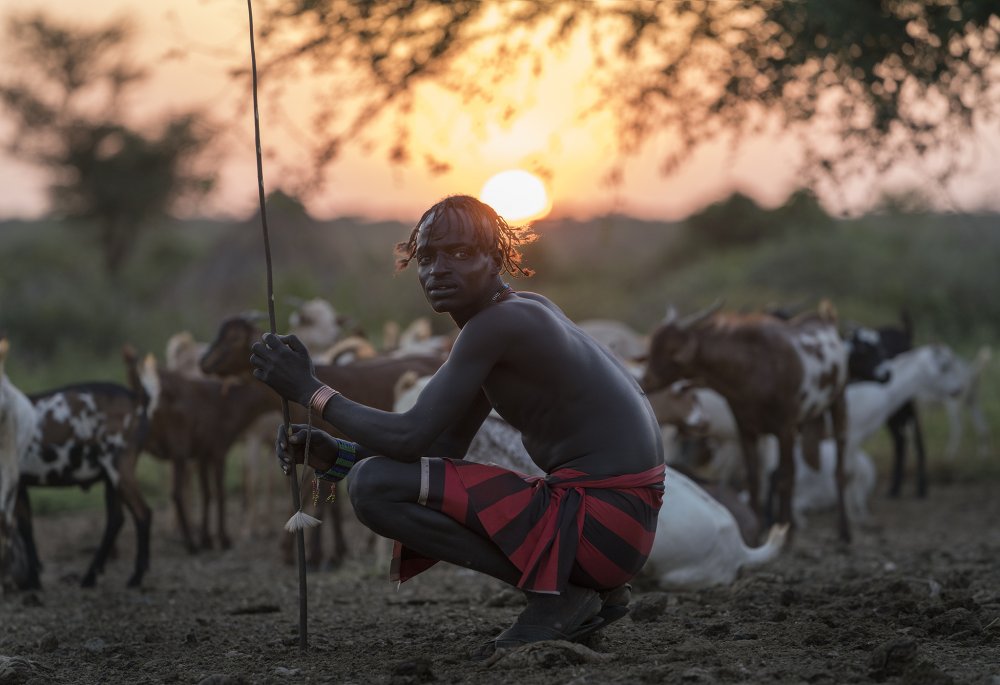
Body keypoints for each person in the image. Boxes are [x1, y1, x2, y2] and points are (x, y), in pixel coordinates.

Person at [249, 194, 665, 658]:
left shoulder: (497, 324)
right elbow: (443, 444)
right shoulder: (514, 314)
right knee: (370, 476)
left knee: (372, 486)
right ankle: (574, 591)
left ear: (496, 259)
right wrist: (338, 454)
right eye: (427, 257)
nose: (438, 270)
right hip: (618, 530)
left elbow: (409, 436)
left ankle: (560, 595)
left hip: (598, 525)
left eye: (461, 253)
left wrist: (310, 391)